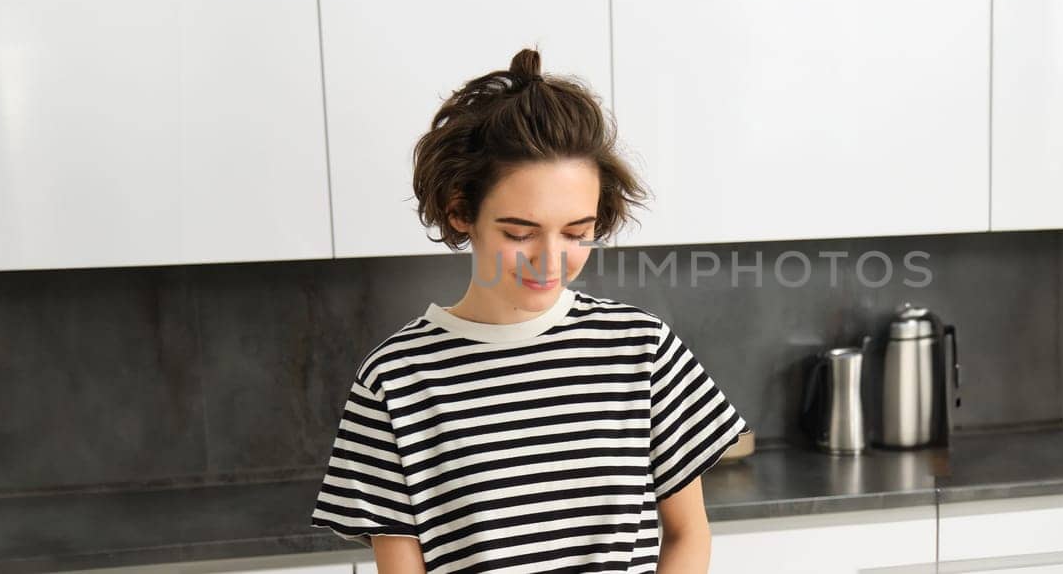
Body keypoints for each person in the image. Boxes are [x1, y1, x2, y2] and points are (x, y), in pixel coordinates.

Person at [310, 47, 751, 574]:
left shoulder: (643, 350)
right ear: (460, 212)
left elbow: (687, 535)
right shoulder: (396, 380)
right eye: (519, 233)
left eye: (577, 233)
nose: (551, 260)